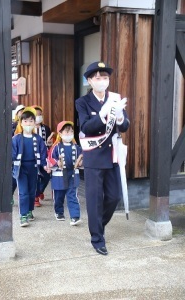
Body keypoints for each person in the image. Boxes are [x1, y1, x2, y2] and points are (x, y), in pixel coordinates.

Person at [75, 61, 130, 255]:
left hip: (112, 155)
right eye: (97, 78)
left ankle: (99, 224)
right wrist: (103, 114)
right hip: (94, 157)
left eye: (105, 77)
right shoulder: (82, 102)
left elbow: (124, 126)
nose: (102, 81)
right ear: (89, 80)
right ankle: (97, 237)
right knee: (95, 199)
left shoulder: (115, 98)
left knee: (114, 197)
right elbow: (86, 128)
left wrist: (122, 119)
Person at [12, 107, 49, 227]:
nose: (28, 123)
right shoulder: (16, 138)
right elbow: (12, 155)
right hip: (21, 169)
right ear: (21, 123)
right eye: (26, 121)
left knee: (32, 191)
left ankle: (29, 211)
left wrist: (45, 165)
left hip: (34, 168)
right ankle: (23, 215)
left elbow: (43, 154)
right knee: (23, 192)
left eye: (31, 121)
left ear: (34, 123)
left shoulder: (38, 138)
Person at [48, 121, 83, 226]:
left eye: (71, 131)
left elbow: (82, 158)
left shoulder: (77, 147)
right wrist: (56, 163)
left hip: (72, 174)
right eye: (66, 132)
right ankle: (59, 212)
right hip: (59, 176)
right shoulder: (56, 147)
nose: (69, 134)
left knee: (72, 195)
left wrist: (81, 162)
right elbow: (50, 158)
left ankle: (75, 216)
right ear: (60, 133)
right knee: (59, 196)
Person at [32, 105, 55, 207]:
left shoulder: (46, 128)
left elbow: (49, 143)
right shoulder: (29, 128)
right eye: (36, 115)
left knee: (46, 175)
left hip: (44, 155)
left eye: (40, 115)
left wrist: (50, 143)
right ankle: (35, 197)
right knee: (35, 176)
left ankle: (40, 190)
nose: (39, 117)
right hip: (32, 156)